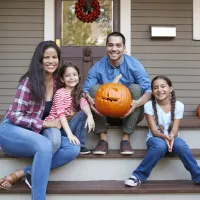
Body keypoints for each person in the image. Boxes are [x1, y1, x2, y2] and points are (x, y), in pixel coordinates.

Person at [0, 41, 80, 200]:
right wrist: (44, 123)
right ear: (40, 60)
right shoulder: (29, 82)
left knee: (73, 148)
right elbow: (15, 116)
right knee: (45, 145)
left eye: (55, 57)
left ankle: (24, 173)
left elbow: (59, 110)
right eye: (47, 57)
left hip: (38, 133)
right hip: (13, 131)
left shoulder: (59, 83)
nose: (51, 61)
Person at [83, 31, 152, 155]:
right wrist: (90, 100)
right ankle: (103, 139)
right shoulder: (98, 67)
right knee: (94, 89)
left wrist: (137, 103)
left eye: (118, 45)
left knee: (136, 88)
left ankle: (125, 139)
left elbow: (148, 91)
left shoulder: (134, 65)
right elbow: (86, 90)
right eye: (110, 45)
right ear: (106, 47)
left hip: (130, 113)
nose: (114, 49)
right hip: (105, 113)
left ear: (124, 48)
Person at [124, 75, 200, 187]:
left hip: (172, 139)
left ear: (170, 89)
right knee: (160, 146)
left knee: (181, 146)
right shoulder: (149, 106)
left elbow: (174, 130)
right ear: (153, 92)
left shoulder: (179, 106)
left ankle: (198, 176)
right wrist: (164, 137)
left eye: (163, 86)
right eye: (155, 88)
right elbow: (154, 131)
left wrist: (171, 137)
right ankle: (137, 176)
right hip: (155, 139)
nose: (159, 90)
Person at [44, 62, 95, 154]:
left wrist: (90, 116)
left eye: (74, 75)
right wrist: (70, 134)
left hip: (67, 126)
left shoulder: (78, 93)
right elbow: (61, 116)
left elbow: (84, 104)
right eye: (67, 75)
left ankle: (81, 145)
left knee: (83, 113)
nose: (72, 78)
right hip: (55, 127)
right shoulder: (60, 93)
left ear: (78, 77)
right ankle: (68, 141)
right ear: (62, 79)